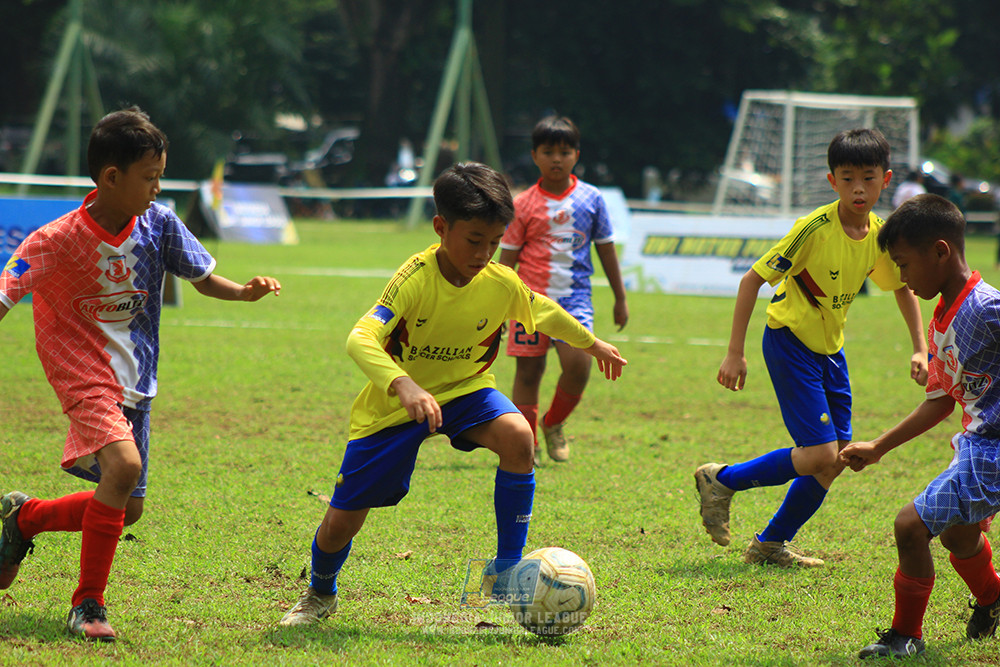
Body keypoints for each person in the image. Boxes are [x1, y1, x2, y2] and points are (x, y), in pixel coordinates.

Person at [278, 162, 627, 627]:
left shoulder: (500, 281)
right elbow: (360, 337)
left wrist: (592, 342)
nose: (484, 253)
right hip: (394, 407)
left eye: (494, 241)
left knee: (518, 437)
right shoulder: (414, 278)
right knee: (345, 519)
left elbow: (542, 311)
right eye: (474, 239)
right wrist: (402, 383)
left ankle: (505, 571)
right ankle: (320, 593)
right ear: (441, 227)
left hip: (466, 391)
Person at [0, 107, 281, 641]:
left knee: (126, 508)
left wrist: (243, 291)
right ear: (111, 177)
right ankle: (87, 604)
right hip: (82, 375)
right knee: (123, 465)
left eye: (161, 177)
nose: (157, 188)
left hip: (138, 381)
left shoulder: (159, 223)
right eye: (149, 178)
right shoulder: (54, 240)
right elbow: (6, 291)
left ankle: (24, 518)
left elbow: (203, 277)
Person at [696, 128, 929, 568]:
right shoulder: (814, 229)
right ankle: (721, 480)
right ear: (831, 181)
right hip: (789, 341)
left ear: (886, 179)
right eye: (847, 179)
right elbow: (752, 280)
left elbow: (901, 287)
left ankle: (770, 543)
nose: (858, 188)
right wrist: (734, 352)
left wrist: (920, 348)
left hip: (830, 351)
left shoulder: (880, 234)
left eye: (868, 177)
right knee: (821, 453)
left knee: (834, 458)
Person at [840, 194, 1000, 659]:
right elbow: (939, 403)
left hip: (994, 448)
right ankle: (993, 598)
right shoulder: (941, 318)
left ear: (940, 251)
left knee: (910, 526)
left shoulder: (986, 308)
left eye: (904, 265)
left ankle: (904, 636)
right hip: (975, 443)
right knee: (957, 533)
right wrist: (878, 447)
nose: (904, 279)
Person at [497, 116, 628, 465]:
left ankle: (553, 423)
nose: (557, 158)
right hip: (528, 301)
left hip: (575, 301)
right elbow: (506, 258)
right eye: (548, 151)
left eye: (565, 151)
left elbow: (606, 248)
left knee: (579, 365)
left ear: (576, 155)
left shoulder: (591, 198)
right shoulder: (522, 203)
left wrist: (620, 297)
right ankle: (527, 445)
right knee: (528, 373)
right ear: (535, 155)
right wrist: (495, 307)